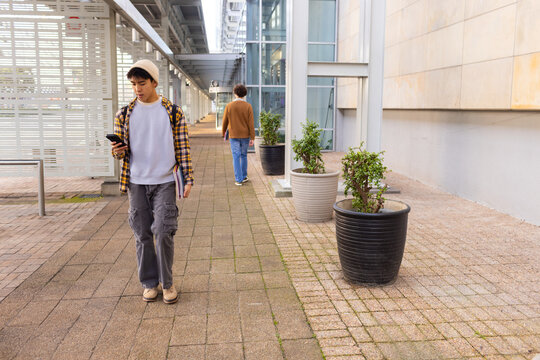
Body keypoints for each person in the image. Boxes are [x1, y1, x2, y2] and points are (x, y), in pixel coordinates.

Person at [110, 59, 193, 304]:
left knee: (164, 231)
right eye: (134, 84)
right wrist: (118, 149)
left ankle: (167, 283)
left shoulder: (172, 111)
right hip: (136, 182)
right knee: (142, 233)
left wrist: (188, 179)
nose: (138, 88)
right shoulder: (124, 114)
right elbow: (119, 154)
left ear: (154, 82)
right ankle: (149, 283)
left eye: (142, 83)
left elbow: (183, 148)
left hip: (165, 180)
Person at [221, 84, 255, 186]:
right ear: (244, 94)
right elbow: (251, 123)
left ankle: (238, 179)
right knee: (244, 155)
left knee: (236, 156)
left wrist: (223, 133)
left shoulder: (229, 106)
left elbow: (224, 121)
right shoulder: (248, 106)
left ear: (235, 93)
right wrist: (252, 137)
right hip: (245, 135)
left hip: (234, 135)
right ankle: (244, 176)